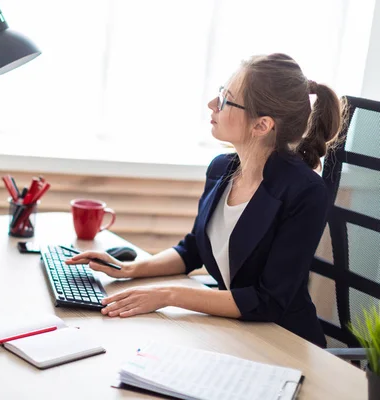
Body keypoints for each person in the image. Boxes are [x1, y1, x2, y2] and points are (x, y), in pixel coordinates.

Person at [65, 53, 343, 348]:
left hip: (282, 342)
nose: (212, 105)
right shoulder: (221, 169)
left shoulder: (305, 191)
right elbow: (194, 248)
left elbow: (268, 300)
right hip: (234, 334)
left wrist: (168, 295)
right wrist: (130, 270)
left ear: (262, 125)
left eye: (225, 99)